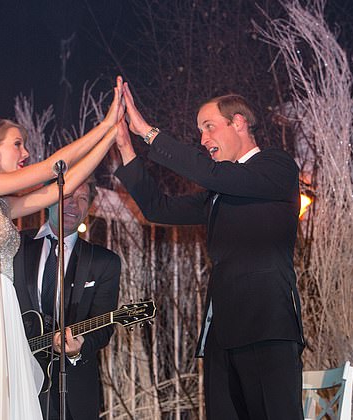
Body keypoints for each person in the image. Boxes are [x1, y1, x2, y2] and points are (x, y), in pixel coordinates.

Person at [0, 77, 124, 420]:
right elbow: (51, 168)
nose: (25, 152)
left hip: (2, 309)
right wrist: (104, 124)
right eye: (17, 144)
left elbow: (65, 183)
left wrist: (111, 137)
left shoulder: (0, 204)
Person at [113, 83, 305, 419]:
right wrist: (126, 148)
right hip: (221, 334)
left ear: (239, 122)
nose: (202, 140)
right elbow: (158, 208)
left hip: (267, 327)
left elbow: (214, 174)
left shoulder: (277, 166)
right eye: (200, 131)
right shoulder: (218, 192)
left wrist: (147, 131)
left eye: (209, 126)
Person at [13, 176, 121, 420]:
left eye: (83, 199)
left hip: (73, 391)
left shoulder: (104, 262)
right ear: (50, 199)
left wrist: (77, 350)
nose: (74, 204)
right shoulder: (15, 246)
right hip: (15, 382)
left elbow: (103, 328)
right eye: (68, 195)